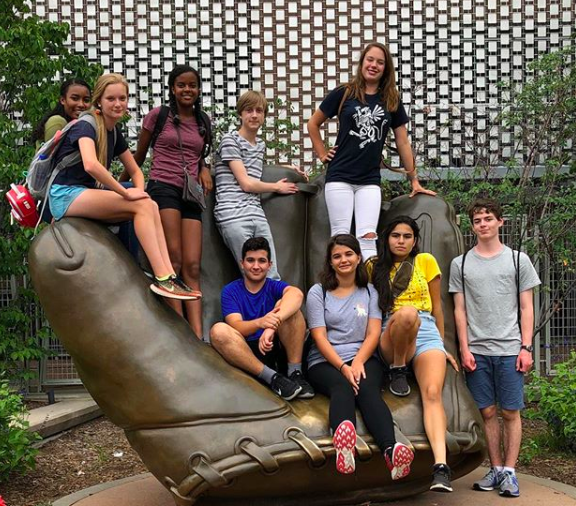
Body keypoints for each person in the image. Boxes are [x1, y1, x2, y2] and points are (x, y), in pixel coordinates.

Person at [47, 73, 198, 300]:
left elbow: (136, 170)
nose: (118, 104)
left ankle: (168, 276)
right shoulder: (86, 125)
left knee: (148, 203)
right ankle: (163, 277)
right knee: (141, 206)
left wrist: (139, 191)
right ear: (99, 101)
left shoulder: (113, 131)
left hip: (86, 192)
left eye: (122, 98)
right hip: (65, 195)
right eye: (111, 99)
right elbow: (90, 165)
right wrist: (125, 192)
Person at [307, 42, 436, 261]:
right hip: (340, 176)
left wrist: (414, 180)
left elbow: (403, 143)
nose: (374, 65)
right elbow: (313, 124)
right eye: (370, 60)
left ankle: (371, 291)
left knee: (368, 238)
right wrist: (322, 153)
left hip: (369, 179)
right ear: (362, 62)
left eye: (380, 62)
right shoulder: (344, 93)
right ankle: (337, 290)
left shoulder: (391, 100)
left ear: (386, 68)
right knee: (340, 237)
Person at [449, 199, 541, 498]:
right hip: (476, 350)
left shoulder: (518, 260)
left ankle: (510, 472)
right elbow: (459, 310)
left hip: (511, 349)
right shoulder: (460, 264)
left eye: (488, 218)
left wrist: (526, 347)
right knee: (487, 412)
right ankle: (496, 468)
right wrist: (464, 348)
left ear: (500, 222)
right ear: (472, 226)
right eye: (477, 220)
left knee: (511, 412)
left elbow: (527, 307)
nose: (483, 224)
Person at [307, 234, 414, 478]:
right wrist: (343, 367)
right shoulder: (318, 292)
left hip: (364, 357)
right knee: (342, 387)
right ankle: (344, 447)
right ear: (330, 262)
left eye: (348, 254)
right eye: (337, 256)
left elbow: (373, 332)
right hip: (325, 360)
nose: (343, 260)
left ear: (357, 257)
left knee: (368, 391)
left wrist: (357, 362)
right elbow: (319, 337)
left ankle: (391, 450)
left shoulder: (370, 292)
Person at [371, 216, 458, 492]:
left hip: (427, 330)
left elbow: (438, 307)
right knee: (407, 314)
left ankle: (441, 466)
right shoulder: (373, 266)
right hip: (391, 331)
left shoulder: (426, 262)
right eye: (395, 235)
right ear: (387, 239)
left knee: (432, 392)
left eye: (407, 236)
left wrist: (443, 346)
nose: (401, 241)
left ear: (415, 240)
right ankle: (398, 368)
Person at [133, 65, 212, 338]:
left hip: (190, 193)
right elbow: (139, 156)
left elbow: (199, 154)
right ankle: (181, 333)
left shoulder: (203, 121)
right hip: (163, 186)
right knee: (174, 259)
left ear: (198, 89)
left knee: (192, 264)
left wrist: (203, 167)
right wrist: (120, 186)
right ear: (172, 89)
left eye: (192, 85)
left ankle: (199, 337)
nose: (187, 90)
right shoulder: (159, 116)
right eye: (181, 85)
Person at [213, 90, 306, 280]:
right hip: (233, 214)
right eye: (249, 110)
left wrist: (288, 167)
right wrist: (276, 187)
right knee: (253, 274)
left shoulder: (260, 145)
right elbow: (246, 183)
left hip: (256, 213)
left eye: (259, 110)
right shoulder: (230, 140)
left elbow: (253, 165)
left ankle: (277, 310)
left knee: (271, 274)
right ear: (240, 113)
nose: (254, 115)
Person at [210, 237, 314, 400]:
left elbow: (297, 294)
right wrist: (260, 322)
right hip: (247, 353)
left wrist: (270, 326)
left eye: (261, 261)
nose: (256, 266)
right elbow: (235, 325)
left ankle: (295, 372)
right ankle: (273, 378)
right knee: (218, 330)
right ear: (242, 263)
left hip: (275, 347)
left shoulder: (273, 286)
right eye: (250, 260)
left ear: (269, 265)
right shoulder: (230, 291)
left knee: (289, 307)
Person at [32, 78, 92, 147]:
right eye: (75, 98)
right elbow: (52, 155)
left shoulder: (84, 124)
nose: (81, 104)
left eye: (86, 100)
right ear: (63, 100)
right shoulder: (57, 122)